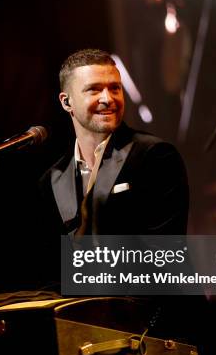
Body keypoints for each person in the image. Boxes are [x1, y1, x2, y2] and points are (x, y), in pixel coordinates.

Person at [39, 48, 189, 236]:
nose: (108, 98)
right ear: (66, 102)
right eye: (94, 89)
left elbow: (165, 253)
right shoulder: (52, 180)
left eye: (115, 88)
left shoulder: (154, 155)